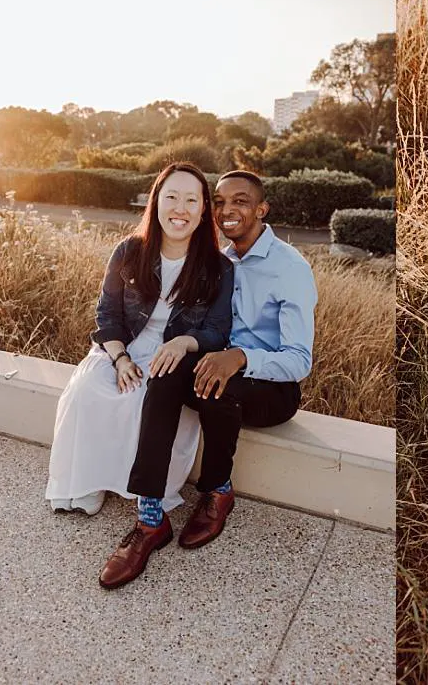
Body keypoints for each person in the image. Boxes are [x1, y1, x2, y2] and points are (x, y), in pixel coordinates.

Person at [99, 169, 318, 590]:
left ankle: (218, 489)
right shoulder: (219, 261)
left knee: (218, 386)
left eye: (240, 201)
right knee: (165, 371)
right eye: (219, 202)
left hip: (271, 390)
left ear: (262, 209)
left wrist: (239, 358)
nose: (227, 210)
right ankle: (150, 518)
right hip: (215, 366)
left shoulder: (289, 267)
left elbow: (298, 361)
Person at [47, 163, 234, 518]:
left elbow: (217, 330)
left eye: (191, 200)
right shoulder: (129, 251)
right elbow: (107, 314)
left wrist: (184, 343)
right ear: (156, 202)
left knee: (142, 401)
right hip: (123, 347)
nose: (180, 209)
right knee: (88, 389)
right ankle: (89, 481)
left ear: (203, 209)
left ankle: (133, 486)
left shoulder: (218, 268)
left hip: (173, 357)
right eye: (172, 197)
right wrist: (120, 359)